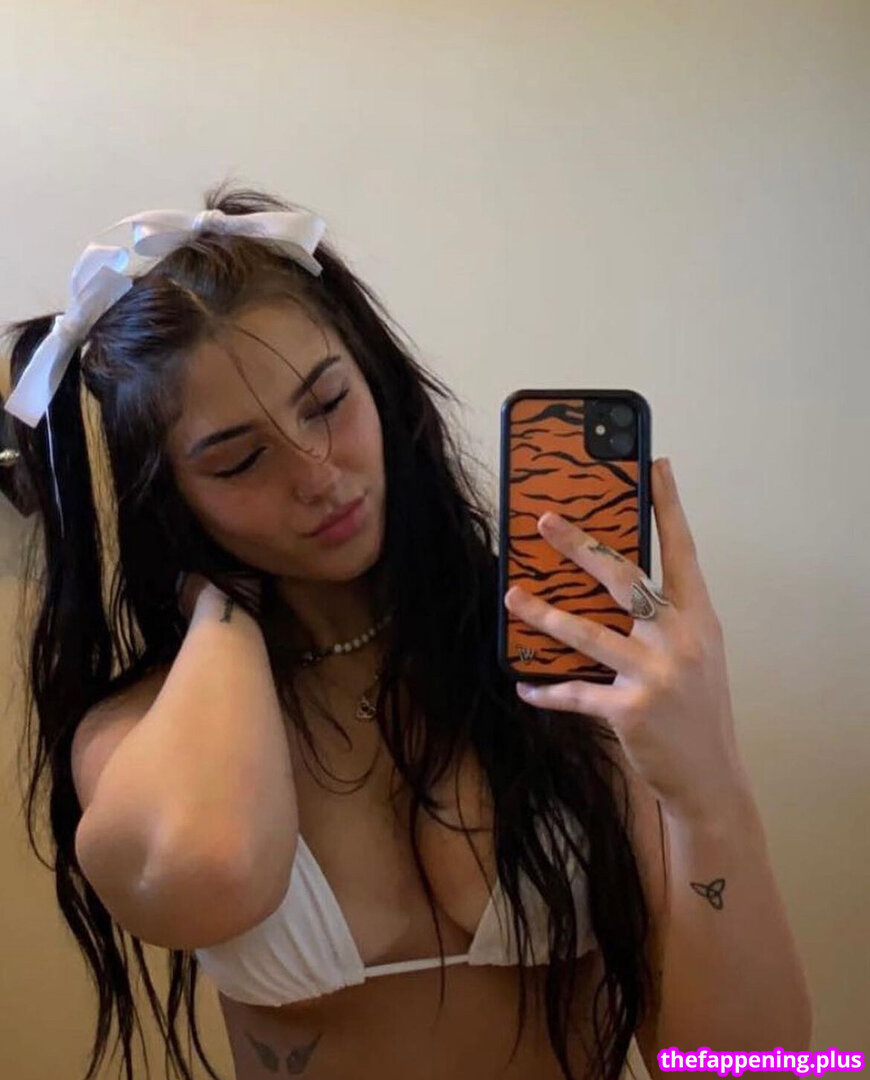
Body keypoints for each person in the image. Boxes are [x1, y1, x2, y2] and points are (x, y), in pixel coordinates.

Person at [2, 182, 810, 1080]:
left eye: (326, 403)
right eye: (239, 460)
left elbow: (749, 1069)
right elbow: (210, 868)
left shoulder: (564, 670)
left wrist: (707, 787)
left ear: (375, 381)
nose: (317, 474)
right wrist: (219, 608)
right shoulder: (142, 731)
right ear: (171, 501)